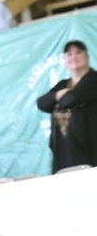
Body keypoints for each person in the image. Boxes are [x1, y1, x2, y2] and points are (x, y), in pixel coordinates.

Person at [36, 40, 97, 174]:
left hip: (90, 150)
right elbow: (41, 103)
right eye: (69, 54)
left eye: (78, 52)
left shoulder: (93, 79)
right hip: (64, 152)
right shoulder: (63, 85)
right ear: (65, 59)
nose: (73, 56)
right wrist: (58, 95)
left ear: (87, 57)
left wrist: (57, 100)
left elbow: (72, 98)